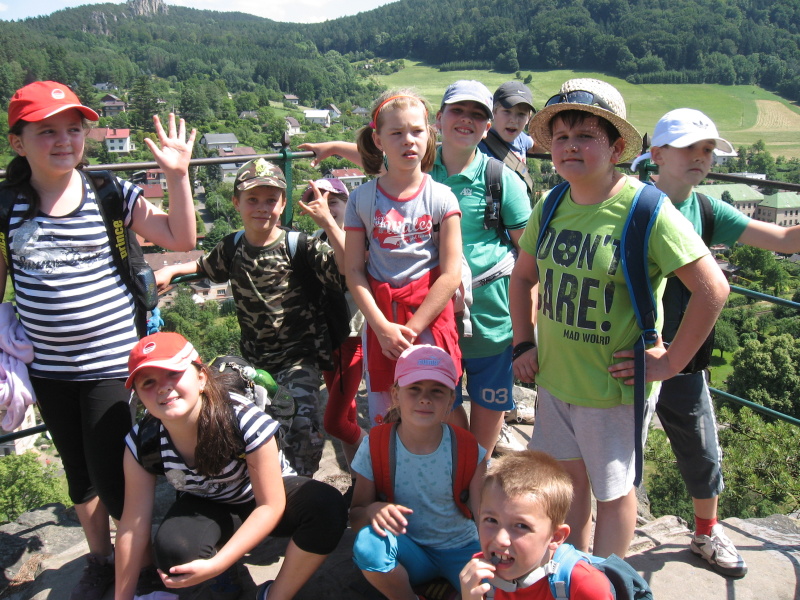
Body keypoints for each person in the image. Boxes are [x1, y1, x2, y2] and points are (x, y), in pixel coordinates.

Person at [509, 78, 730, 558]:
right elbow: (523, 277)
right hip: (556, 381)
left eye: (585, 136)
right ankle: (575, 573)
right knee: (567, 489)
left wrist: (671, 363)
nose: (570, 146)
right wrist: (523, 343)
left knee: (614, 493)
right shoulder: (551, 204)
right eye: (561, 137)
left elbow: (713, 289)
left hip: (614, 391)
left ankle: (607, 577)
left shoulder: (646, 210)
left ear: (616, 148)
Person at [0, 80, 196, 600]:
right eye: (47, 132)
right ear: (18, 142)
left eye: (73, 129)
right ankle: (101, 559)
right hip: (47, 367)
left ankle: (144, 568)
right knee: (78, 473)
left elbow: (180, 238)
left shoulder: (110, 192)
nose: (64, 140)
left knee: (113, 474)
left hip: (110, 363)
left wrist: (178, 176)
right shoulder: (6, 207)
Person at [301, 81, 531, 457]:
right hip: (406, 317)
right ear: (440, 120)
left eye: (477, 114)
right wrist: (382, 326)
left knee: (464, 402)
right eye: (458, 111)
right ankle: (434, 468)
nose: (408, 140)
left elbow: (523, 259)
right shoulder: (387, 184)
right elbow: (383, 152)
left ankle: (472, 469)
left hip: (472, 315)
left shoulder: (485, 183)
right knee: (424, 402)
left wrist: (526, 332)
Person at [630, 107, 800, 576]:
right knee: (620, 457)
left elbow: (785, 239)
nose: (701, 157)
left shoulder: (706, 210)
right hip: (632, 353)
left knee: (701, 449)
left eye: (707, 150)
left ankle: (706, 531)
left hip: (682, 355)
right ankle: (606, 543)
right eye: (690, 147)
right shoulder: (629, 202)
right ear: (657, 154)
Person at [114, 332, 347, 600]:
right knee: (175, 551)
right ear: (138, 396)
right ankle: (222, 564)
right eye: (148, 382)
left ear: (201, 377)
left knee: (326, 506)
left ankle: (275, 595)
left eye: (174, 374)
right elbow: (132, 527)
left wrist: (218, 562)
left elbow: (270, 505)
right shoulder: (143, 441)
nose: (163, 388)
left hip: (257, 494)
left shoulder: (242, 417)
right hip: (205, 501)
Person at [155, 158, 345, 477]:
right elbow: (204, 266)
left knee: (300, 424)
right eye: (252, 199)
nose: (262, 208)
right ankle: (252, 485)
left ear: (282, 204)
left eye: (271, 200)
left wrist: (330, 224)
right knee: (232, 421)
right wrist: (172, 269)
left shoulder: (300, 246)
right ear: (236, 203)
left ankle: (299, 489)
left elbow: (347, 268)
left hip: (298, 358)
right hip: (254, 361)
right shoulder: (232, 246)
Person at [343, 89, 463, 425]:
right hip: (382, 322)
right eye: (396, 133)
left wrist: (410, 330)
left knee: (440, 407)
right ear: (378, 140)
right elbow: (353, 270)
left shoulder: (442, 198)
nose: (408, 140)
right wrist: (382, 329)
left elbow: (451, 274)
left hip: (428, 320)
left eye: (416, 131)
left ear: (429, 135)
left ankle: (454, 460)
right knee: (388, 412)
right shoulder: (361, 200)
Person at [349, 344, 487, 600]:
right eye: (414, 388)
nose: (425, 399)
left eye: (437, 391)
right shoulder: (375, 446)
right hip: (407, 553)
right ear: (395, 395)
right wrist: (373, 510)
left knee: (499, 588)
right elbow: (356, 516)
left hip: (463, 550)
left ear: (450, 401)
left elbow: (484, 517)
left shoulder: (468, 448)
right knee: (368, 545)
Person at [460, 450, 614, 599]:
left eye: (521, 526)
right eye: (491, 520)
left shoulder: (585, 586)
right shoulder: (480, 573)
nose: (500, 539)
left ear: (555, 536)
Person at [301, 177, 367, 471]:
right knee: (347, 415)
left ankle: (382, 457)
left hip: (355, 338)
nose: (326, 208)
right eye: (319, 202)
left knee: (335, 422)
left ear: (349, 203)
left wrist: (329, 223)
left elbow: (350, 266)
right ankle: (358, 477)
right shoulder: (316, 239)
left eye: (333, 202)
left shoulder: (362, 236)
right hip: (328, 338)